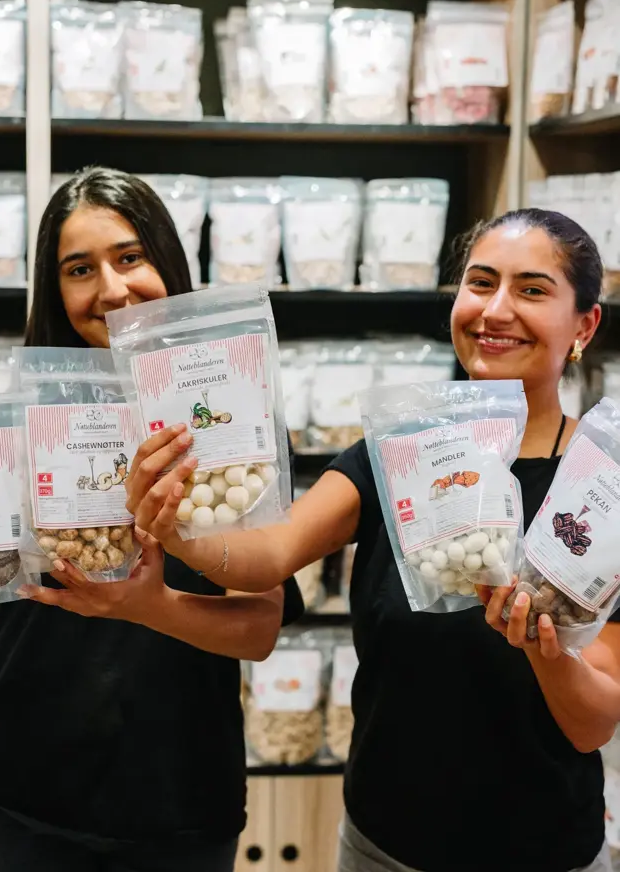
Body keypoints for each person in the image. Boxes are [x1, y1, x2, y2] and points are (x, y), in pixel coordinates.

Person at [86, 208, 620, 872]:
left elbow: (593, 723)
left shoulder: (601, 488)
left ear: (584, 325)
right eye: (481, 283)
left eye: (532, 290)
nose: (495, 310)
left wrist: (546, 651)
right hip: (381, 847)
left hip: (547, 855)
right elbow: (271, 553)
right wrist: (180, 529)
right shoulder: (398, 451)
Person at [0, 166, 303, 872]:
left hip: (178, 799)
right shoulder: (3, 423)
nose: (111, 289)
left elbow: (259, 627)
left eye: (130, 257)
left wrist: (149, 606)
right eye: (79, 269)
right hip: (11, 794)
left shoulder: (234, 419)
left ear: (169, 261)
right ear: (55, 288)